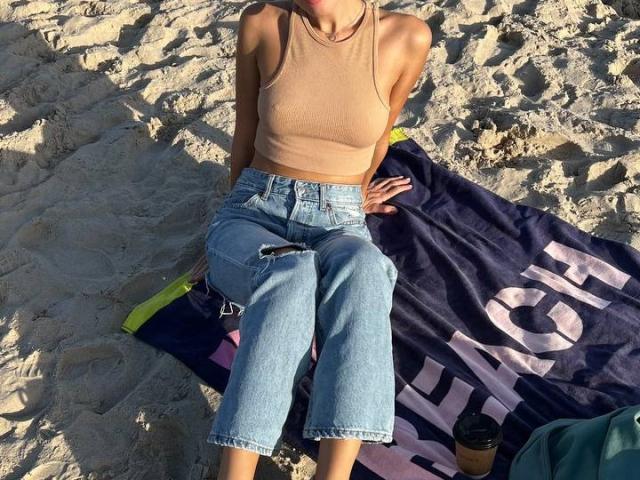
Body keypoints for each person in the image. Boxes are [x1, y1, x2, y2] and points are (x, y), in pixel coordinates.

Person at [190, 1, 431, 478]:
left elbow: (379, 136)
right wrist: (228, 233)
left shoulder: (407, 37)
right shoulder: (263, 21)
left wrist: (353, 193)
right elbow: (246, 128)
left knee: (365, 269)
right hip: (255, 206)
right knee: (291, 271)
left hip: (339, 215)